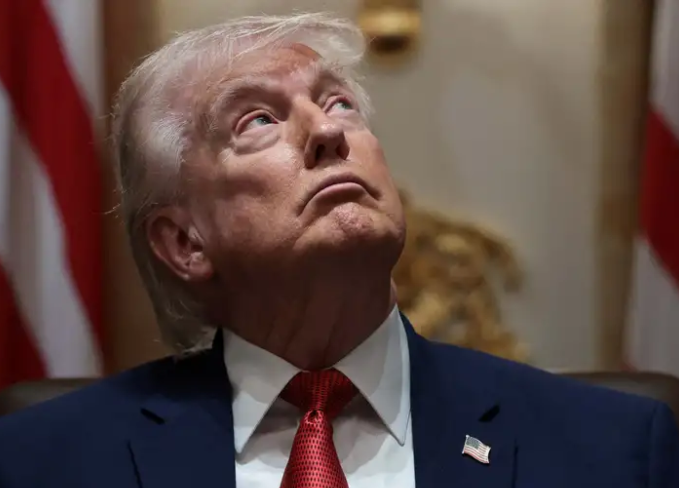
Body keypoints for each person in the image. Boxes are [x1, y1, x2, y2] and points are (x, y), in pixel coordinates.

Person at [0, 12, 677, 488]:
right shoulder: (42, 461)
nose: (327, 132)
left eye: (339, 104)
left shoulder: (614, 448)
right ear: (184, 242)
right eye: (257, 120)